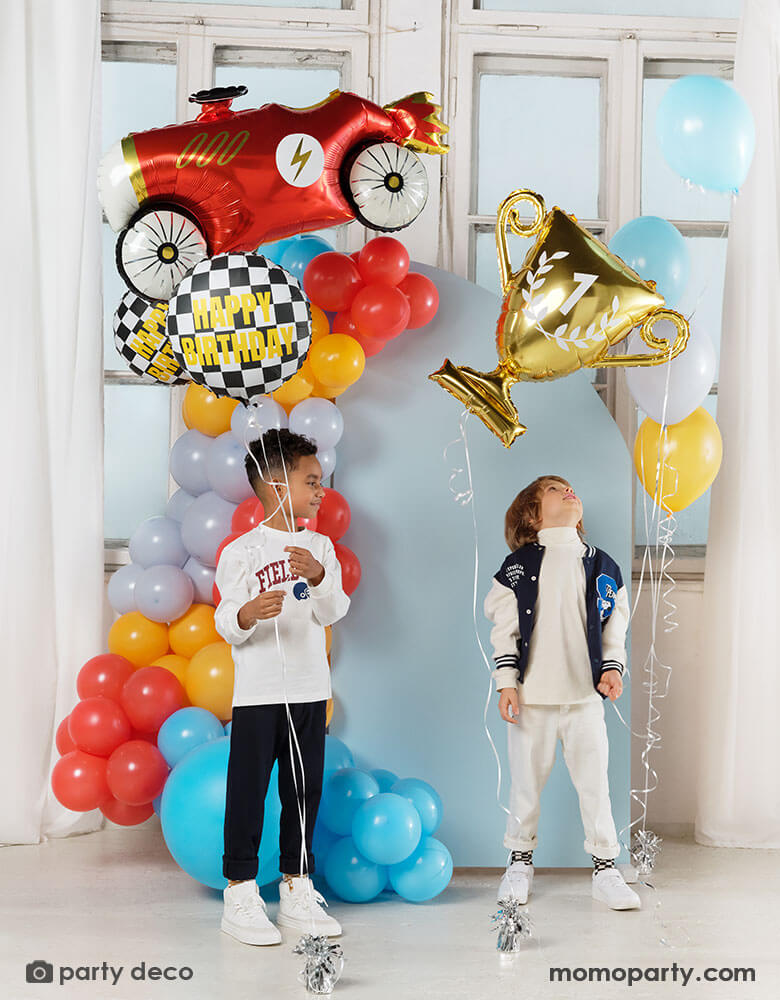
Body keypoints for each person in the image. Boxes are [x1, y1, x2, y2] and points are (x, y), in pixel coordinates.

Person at [215, 428, 350, 945]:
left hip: (310, 690)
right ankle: (241, 892)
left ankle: (296, 887)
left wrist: (318, 576)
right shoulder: (241, 552)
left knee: (302, 791)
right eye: (311, 481)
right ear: (275, 483)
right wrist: (247, 613)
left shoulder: (319, 546)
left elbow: (334, 610)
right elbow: (227, 618)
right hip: (257, 694)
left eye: (322, 481)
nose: (321, 490)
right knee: (247, 792)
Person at [484, 475, 640, 911]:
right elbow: (505, 629)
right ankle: (519, 861)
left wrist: (613, 667)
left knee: (595, 785)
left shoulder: (601, 565)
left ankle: (606, 868)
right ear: (532, 515)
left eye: (570, 486)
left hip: (584, 700)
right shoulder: (516, 566)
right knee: (525, 786)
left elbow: (615, 625)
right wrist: (506, 683)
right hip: (532, 699)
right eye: (553, 489)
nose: (568, 490)